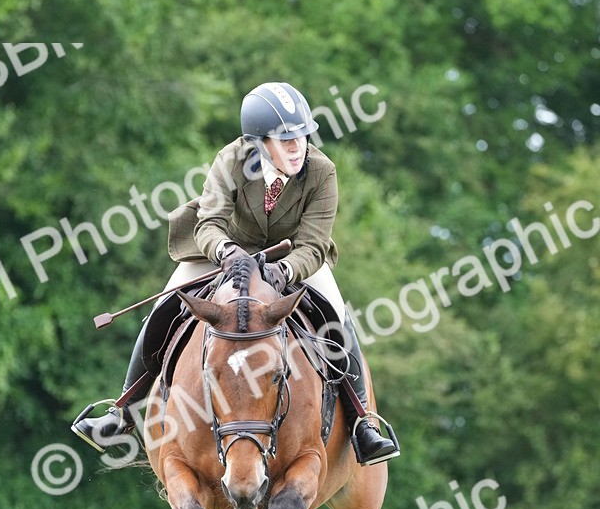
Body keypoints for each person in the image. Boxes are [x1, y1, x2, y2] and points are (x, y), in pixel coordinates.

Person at [72, 80, 399, 465]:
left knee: (337, 314)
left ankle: (363, 422)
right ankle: (122, 412)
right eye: (285, 139)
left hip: (294, 258)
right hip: (224, 250)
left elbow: (313, 243)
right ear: (259, 142)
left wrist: (284, 270)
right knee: (166, 305)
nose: (298, 148)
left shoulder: (322, 172)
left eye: (302, 137)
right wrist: (227, 253)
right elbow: (209, 223)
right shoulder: (231, 160)